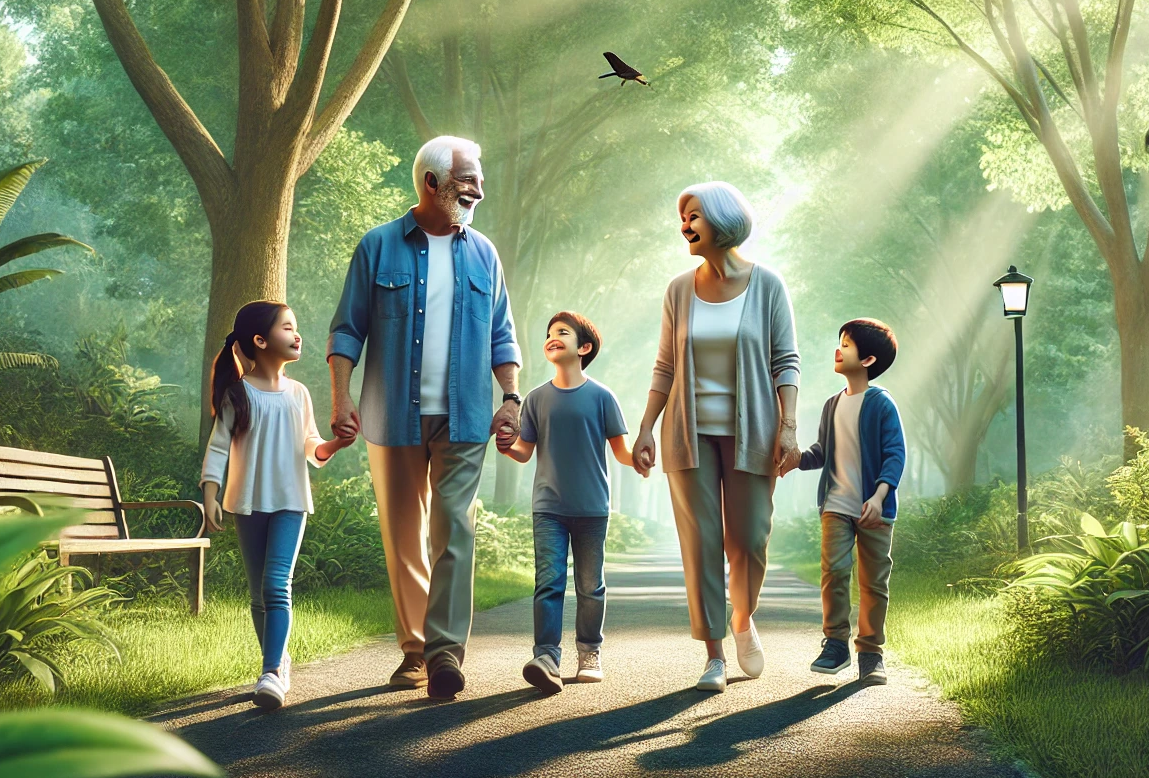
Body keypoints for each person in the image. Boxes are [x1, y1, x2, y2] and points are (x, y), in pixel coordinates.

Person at [327, 135, 522, 700]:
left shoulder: (484, 253)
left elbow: (502, 335)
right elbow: (347, 330)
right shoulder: (378, 246)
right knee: (404, 537)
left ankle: (444, 654)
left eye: (480, 179)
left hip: (465, 415)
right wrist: (341, 398)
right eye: (468, 180)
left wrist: (511, 398)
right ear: (431, 183)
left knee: (454, 528)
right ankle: (414, 650)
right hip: (391, 415)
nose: (479, 190)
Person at [632, 181, 800, 692]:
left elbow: (785, 361)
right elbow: (665, 366)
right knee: (701, 543)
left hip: (754, 434)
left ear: (723, 221)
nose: (684, 225)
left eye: (694, 216)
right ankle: (713, 655)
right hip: (689, 434)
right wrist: (646, 427)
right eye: (682, 217)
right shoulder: (679, 290)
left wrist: (788, 426)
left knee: (748, 540)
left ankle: (742, 617)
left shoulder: (767, 285)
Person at [200, 300, 355, 710]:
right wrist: (211, 492)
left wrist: (335, 444)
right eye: (287, 327)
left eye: (295, 327)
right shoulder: (238, 394)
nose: (297, 334)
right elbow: (218, 447)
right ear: (260, 340)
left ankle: (270, 672)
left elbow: (311, 446)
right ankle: (278, 661)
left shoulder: (299, 393)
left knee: (275, 585)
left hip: (290, 502)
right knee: (257, 595)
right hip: (247, 503)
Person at [498, 312, 645, 694]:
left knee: (590, 586)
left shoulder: (602, 397)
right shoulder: (536, 398)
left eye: (562, 332)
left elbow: (622, 451)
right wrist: (506, 446)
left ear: (584, 347)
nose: (553, 337)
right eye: (549, 333)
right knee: (548, 583)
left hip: (592, 508)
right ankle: (546, 657)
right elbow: (524, 452)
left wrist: (640, 459)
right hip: (548, 508)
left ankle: (589, 653)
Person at [781, 318, 906, 685]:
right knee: (834, 571)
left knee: (873, 582)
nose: (838, 350)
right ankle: (836, 644)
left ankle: (870, 652)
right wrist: (797, 460)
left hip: (875, 508)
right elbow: (823, 451)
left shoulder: (882, 404)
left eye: (847, 345)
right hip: (836, 504)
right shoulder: (832, 404)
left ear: (867, 360)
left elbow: (895, 454)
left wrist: (879, 496)